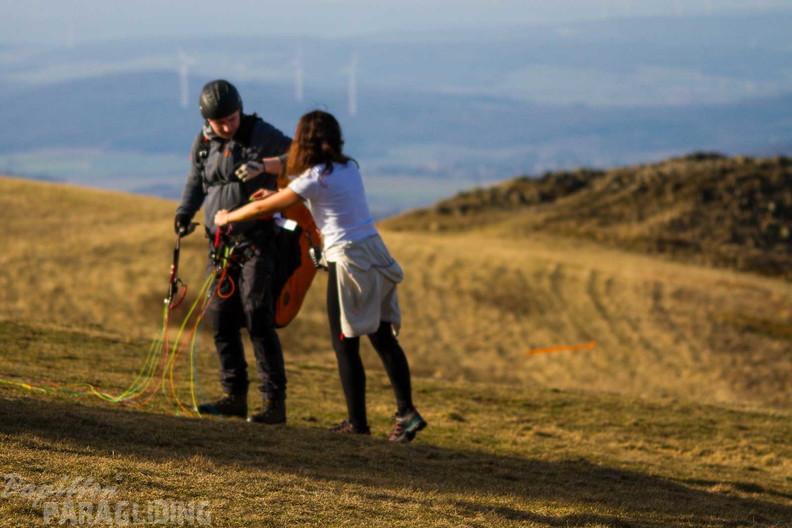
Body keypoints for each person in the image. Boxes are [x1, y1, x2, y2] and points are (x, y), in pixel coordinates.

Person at [214, 110, 427, 442]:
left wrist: (228, 216)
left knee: (344, 343)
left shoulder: (314, 176)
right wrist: (276, 195)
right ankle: (406, 412)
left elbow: (261, 210)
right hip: (375, 253)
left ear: (304, 141)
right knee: (383, 337)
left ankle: (358, 423)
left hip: (348, 261)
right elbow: (321, 200)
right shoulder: (347, 168)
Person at [174, 79, 292, 424]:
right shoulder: (203, 143)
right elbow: (196, 181)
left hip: (258, 240)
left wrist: (266, 165)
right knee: (221, 317)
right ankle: (234, 396)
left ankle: (274, 402)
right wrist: (184, 212)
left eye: (233, 118)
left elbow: (301, 159)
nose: (228, 126)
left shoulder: (261, 132)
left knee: (257, 312)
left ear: (241, 111)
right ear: (207, 120)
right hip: (220, 246)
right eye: (220, 122)